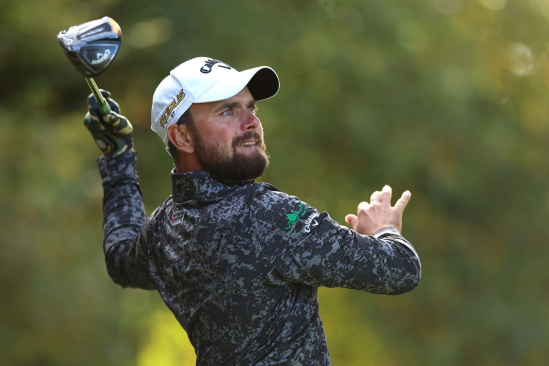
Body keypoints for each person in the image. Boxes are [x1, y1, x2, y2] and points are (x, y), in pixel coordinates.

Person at [83, 57, 421, 365]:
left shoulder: (164, 229)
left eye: (251, 107)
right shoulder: (272, 216)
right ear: (182, 137)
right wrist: (384, 230)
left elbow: (120, 257)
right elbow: (401, 269)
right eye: (228, 111)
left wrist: (118, 157)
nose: (251, 122)